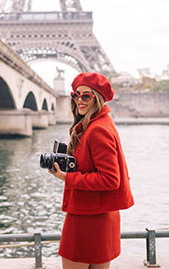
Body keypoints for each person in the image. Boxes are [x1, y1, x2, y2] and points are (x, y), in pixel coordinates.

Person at [49, 72, 134, 269]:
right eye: (76, 95)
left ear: (97, 98)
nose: (80, 100)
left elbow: (110, 179)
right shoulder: (102, 123)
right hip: (102, 215)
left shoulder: (97, 130)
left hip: (86, 217)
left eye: (86, 95)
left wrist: (67, 177)